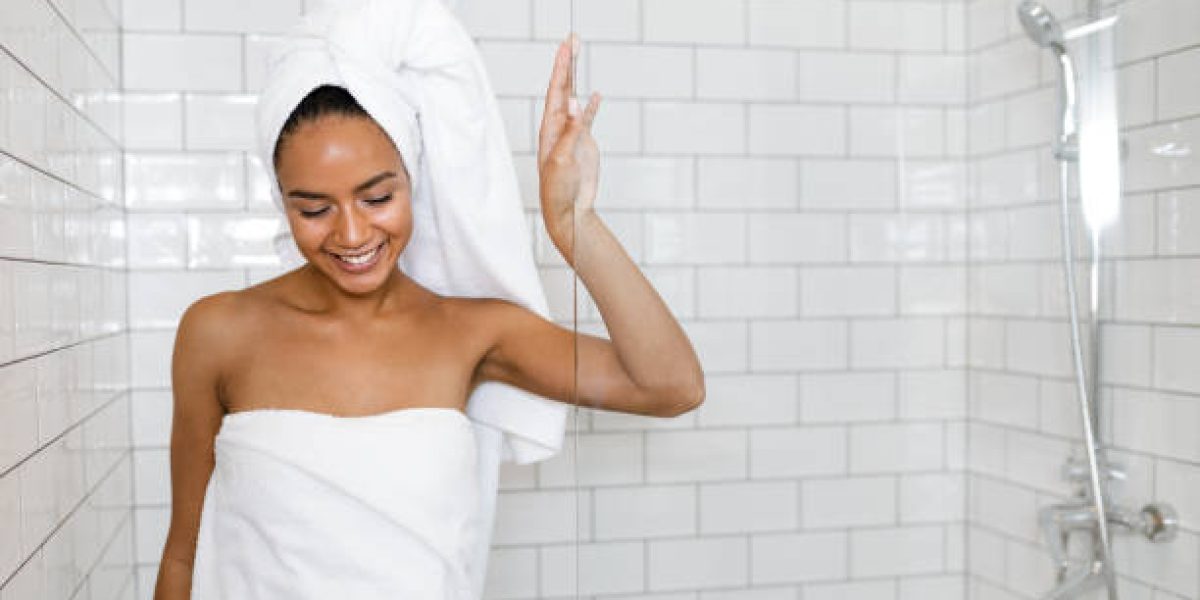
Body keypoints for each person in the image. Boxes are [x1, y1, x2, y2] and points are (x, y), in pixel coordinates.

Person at [153, 32, 705, 599]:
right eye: (314, 208)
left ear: (412, 178)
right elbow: (183, 556)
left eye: (377, 198)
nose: (351, 234)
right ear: (281, 201)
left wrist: (574, 225)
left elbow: (670, 387)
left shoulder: (469, 333)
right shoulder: (218, 332)